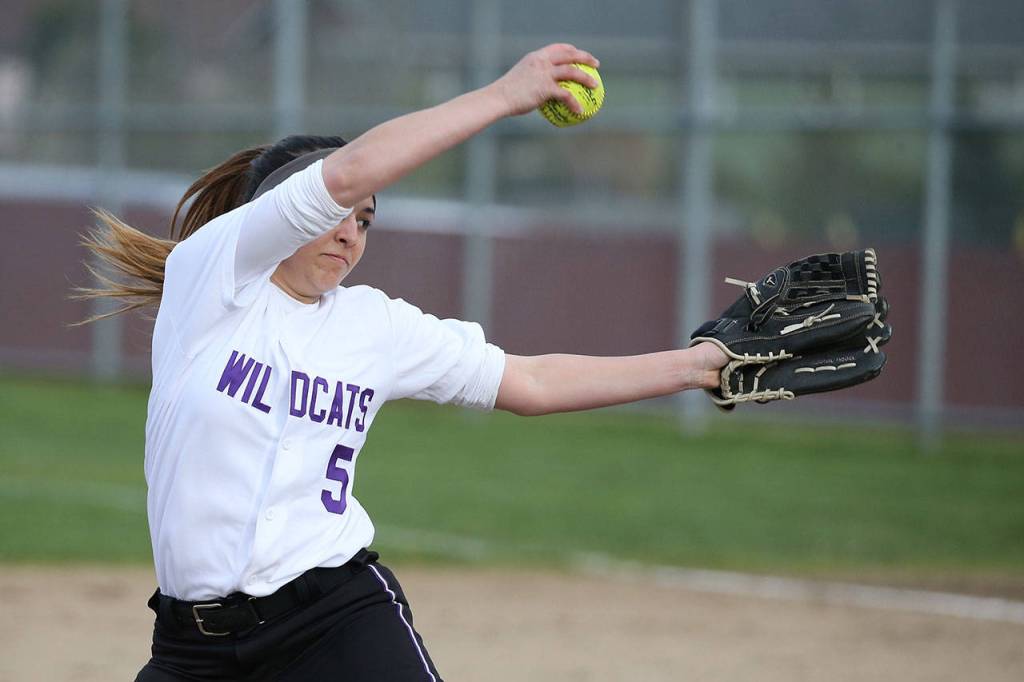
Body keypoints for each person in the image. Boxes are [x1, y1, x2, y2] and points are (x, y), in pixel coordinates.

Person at [78, 43, 728, 681]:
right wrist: (504, 96)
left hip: (333, 619)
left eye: (364, 221)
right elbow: (350, 171)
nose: (348, 232)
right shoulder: (211, 280)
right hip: (192, 651)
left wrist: (696, 367)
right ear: (273, 213)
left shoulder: (373, 325)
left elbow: (530, 381)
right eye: (336, 212)